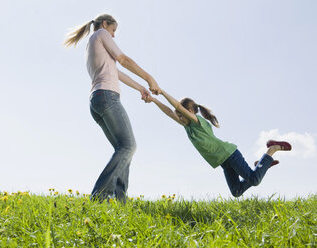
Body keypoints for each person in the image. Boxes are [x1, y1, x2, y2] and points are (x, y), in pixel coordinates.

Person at [63, 14, 161, 203]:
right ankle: (99, 196)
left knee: (123, 149)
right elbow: (123, 59)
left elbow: (117, 72)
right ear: (105, 24)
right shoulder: (101, 34)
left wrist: (141, 88)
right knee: (128, 146)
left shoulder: (93, 45)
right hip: (108, 97)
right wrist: (149, 78)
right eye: (113, 30)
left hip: (97, 101)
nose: (114, 36)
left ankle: (121, 202)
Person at [149, 89, 292, 197]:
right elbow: (169, 112)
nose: (179, 118)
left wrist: (161, 92)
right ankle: (263, 164)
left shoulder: (199, 123)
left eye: (181, 115)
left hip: (230, 154)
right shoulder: (187, 127)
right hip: (224, 162)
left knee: (254, 180)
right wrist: (154, 100)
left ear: (191, 111)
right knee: (236, 191)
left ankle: (272, 149)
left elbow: (178, 108)